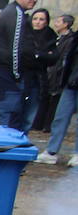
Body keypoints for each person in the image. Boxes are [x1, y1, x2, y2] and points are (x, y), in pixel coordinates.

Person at [0, 0, 42, 130]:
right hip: (4, 71)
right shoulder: (15, 13)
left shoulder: (13, 12)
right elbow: (15, 48)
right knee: (10, 117)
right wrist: (16, 75)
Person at [34, 14, 78, 166]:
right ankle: (52, 151)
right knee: (60, 117)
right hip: (70, 83)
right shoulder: (75, 38)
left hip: (72, 81)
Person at [24, 8, 58, 133]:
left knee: (30, 114)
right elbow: (26, 54)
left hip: (38, 79)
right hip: (23, 76)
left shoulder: (50, 36)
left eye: (41, 19)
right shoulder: (25, 34)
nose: (38, 22)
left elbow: (54, 57)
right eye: (35, 19)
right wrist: (41, 55)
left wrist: (38, 55)